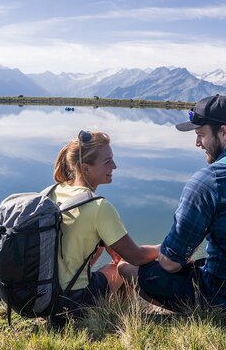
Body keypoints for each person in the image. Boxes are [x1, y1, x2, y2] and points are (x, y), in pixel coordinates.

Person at [120, 95, 226, 315]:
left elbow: (170, 263)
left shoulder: (209, 180)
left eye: (200, 135)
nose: (197, 143)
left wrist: (146, 253)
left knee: (131, 269)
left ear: (224, 132)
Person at [49, 130, 159, 318]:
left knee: (101, 249)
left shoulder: (54, 191)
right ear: (85, 169)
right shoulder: (98, 207)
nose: (115, 166)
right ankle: (118, 318)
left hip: (44, 294)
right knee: (122, 267)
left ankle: (103, 310)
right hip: (71, 301)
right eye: (108, 162)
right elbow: (137, 257)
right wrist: (168, 248)